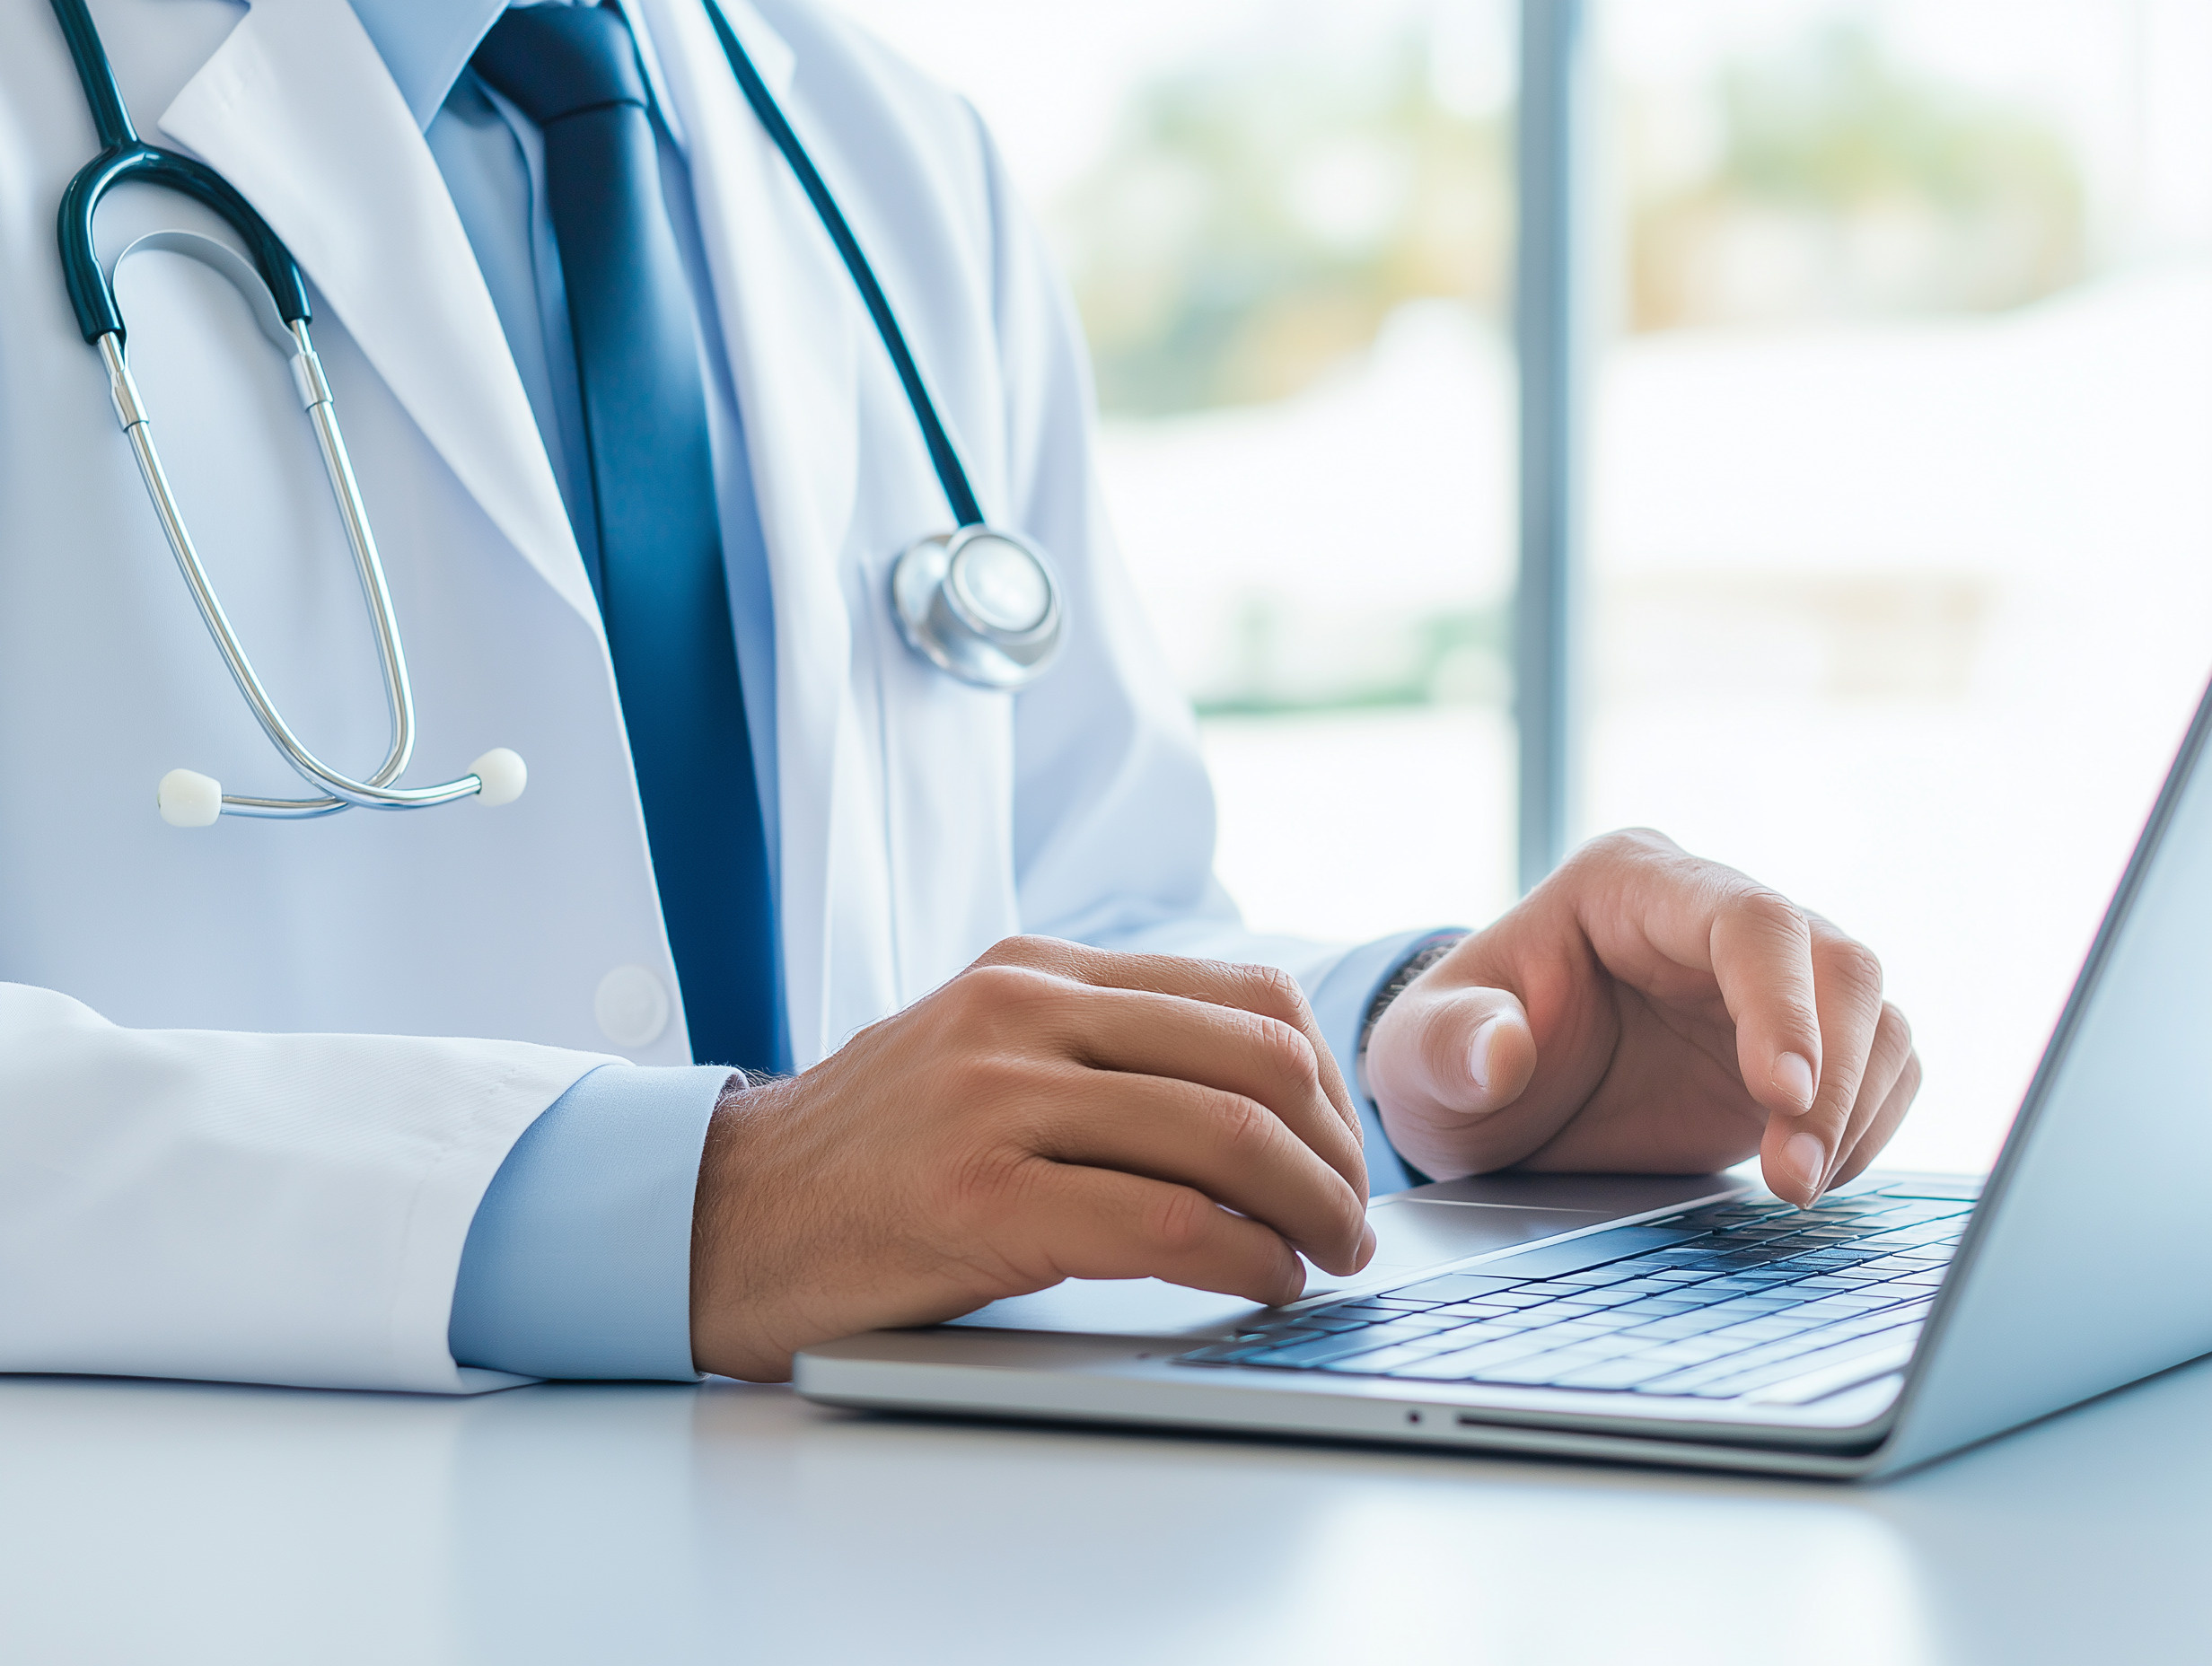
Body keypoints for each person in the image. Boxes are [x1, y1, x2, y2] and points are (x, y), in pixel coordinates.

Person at [0, 0, 1920, 1393]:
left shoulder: (885, 151)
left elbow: (1072, 915)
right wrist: (699, 1206)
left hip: (884, 1562)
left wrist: (1431, 1054)